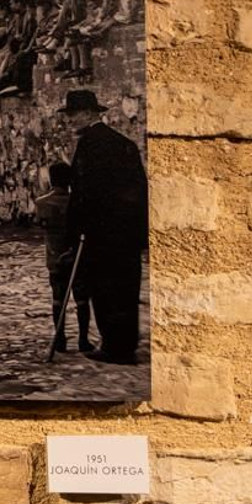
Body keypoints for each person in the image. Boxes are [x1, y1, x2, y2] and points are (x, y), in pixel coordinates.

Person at [62, 90, 148, 365]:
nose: (70, 120)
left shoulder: (91, 145)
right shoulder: (122, 143)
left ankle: (114, 346)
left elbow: (85, 193)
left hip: (101, 232)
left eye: (73, 115)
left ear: (89, 114)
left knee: (105, 288)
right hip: (126, 231)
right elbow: (139, 189)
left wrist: (76, 230)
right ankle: (125, 343)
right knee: (126, 287)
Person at [36, 159, 92, 354]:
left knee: (58, 298)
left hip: (54, 257)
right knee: (82, 299)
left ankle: (60, 338)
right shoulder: (78, 202)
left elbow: (41, 224)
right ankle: (83, 339)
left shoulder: (41, 203)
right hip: (77, 256)